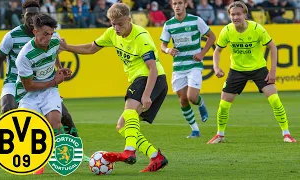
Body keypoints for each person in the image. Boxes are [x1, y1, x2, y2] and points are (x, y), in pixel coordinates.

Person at [60, 2, 168, 172]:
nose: (116, 28)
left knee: (129, 109)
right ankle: (156, 157)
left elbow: (152, 68)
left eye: (120, 24)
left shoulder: (141, 36)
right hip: (140, 80)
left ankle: (129, 151)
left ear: (129, 20)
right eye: (113, 24)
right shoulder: (112, 33)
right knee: (122, 126)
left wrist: (147, 95)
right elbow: (90, 48)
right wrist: (66, 47)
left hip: (151, 79)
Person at [0, 0, 88, 169]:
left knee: (65, 115)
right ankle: (3, 154)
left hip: (41, 81)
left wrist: (60, 69)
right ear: (23, 16)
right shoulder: (12, 36)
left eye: (35, 14)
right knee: (8, 108)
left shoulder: (47, 33)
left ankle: (76, 149)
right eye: (29, 15)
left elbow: (53, 52)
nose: (32, 17)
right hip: (14, 81)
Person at [208, 1, 297, 144]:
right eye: (232, 14)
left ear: (245, 15)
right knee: (224, 104)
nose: (235, 17)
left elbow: (273, 48)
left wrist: (272, 71)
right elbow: (217, 51)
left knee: (274, 99)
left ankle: (286, 134)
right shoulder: (227, 30)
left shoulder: (257, 28)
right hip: (237, 70)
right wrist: (216, 67)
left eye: (238, 14)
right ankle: (220, 135)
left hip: (259, 70)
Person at [15, 13, 70, 174]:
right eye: (45, 34)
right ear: (35, 32)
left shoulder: (54, 41)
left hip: (49, 90)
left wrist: (59, 69)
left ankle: (61, 154)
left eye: (51, 34)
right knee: (31, 127)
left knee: (55, 121)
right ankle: (38, 159)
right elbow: (29, 86)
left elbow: (55, 54)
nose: (49, 37)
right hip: (28, 94)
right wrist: (55, 81)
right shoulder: (24, 56)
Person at [160, 0, 216, 138]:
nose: (177, 6)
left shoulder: (196, 20)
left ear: (185, 4)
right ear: (172, 6)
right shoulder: (168, 24)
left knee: (192, 97)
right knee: (183, 100)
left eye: (180, 3)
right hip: (178, 66)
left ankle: (200, 103)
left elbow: (212, 36)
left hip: (194, 64)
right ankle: (195, 130)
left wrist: (202, 54)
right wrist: (168, 50)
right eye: (174, 4)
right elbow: (162, 45)